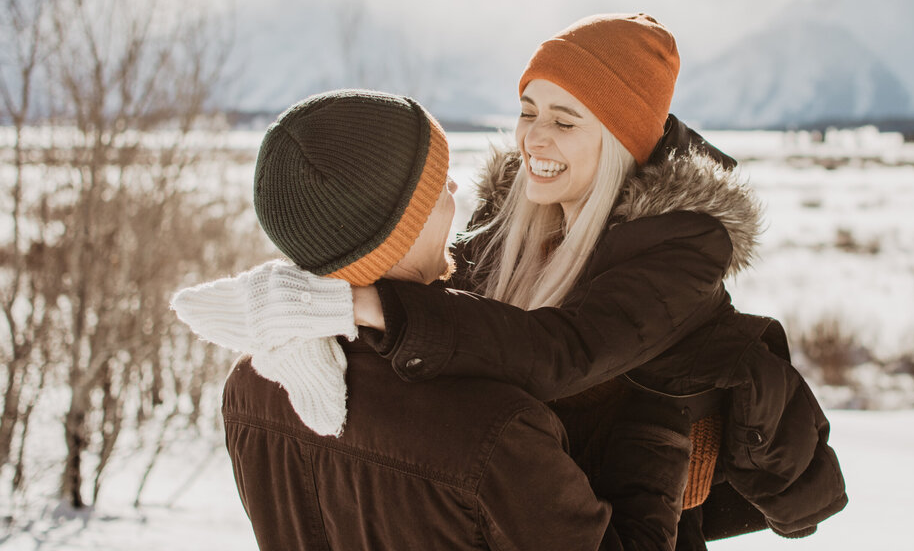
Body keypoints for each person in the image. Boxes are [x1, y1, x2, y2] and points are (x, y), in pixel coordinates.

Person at [181, 14, 847, 547]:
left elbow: (561, 352)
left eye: (565, 119)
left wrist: (358, 301)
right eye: (528, 110)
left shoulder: (675, 251)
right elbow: (455, 315)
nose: (533, 137)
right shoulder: (509, 224)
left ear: (619, 142)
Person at [173, 90, 691, 550]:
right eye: (437, 185)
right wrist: (658, 414)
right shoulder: (497, 429)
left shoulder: (252, 387)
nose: (454, 188)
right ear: (402, 226)